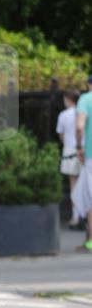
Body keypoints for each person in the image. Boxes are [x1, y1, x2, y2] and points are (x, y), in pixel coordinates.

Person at [72, 74, 92, 252]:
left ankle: (91, 241)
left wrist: (79, 146)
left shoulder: (86, 99)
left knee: (88, 196)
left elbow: (79, 126)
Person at [56, 90, 81, 228]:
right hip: (84, 149)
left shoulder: (64, 115)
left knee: (74, 184)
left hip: (70, 149)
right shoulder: (83, 111)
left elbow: (61, 134)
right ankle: (83, 216)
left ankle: (76, 216)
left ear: (68, 99)